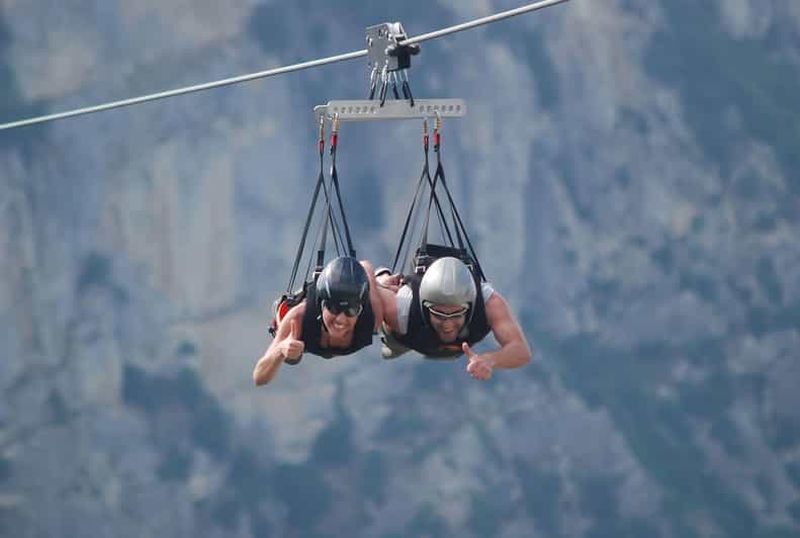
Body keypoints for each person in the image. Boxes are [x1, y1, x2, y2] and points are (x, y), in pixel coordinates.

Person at [376, 256, 531, 380]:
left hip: (425, 337)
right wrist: (380, 282)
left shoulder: (489, 304)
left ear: (470, 305)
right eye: (439, 314)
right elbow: (365, 283)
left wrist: (490, 360)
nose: (447, 325)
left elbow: (521, 350)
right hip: (408, 335)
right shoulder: (400, 307)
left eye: (457, 314)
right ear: (424, 306)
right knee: (390, 338)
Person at [253, 256, 383, 386]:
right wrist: (280, 350)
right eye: (334, 308)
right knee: (291, 356)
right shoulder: (298, 318)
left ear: (361, 309)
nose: (341, 319)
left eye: (351, 311)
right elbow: (259, 377)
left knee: (388, 297)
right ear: (321, 305)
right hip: (304, 332)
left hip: (372, 291)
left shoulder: (373, 317)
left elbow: (366, 267)